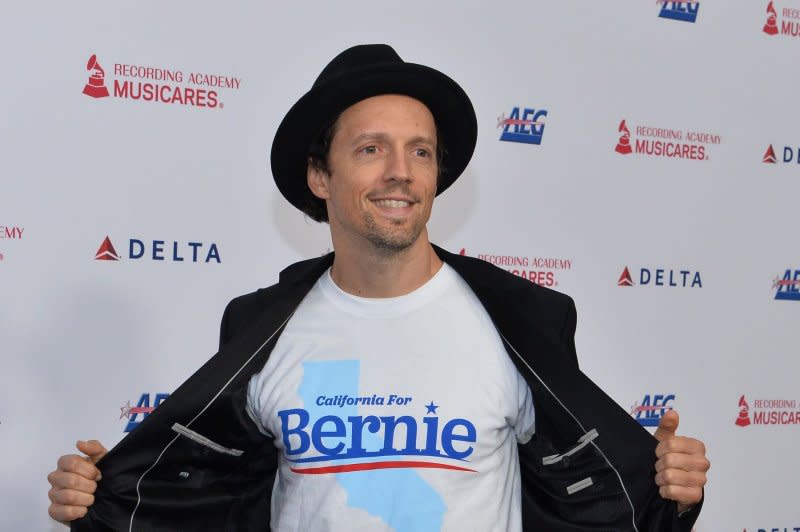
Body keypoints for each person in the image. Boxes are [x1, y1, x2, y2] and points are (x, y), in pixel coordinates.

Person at [47, 44, 709, 531]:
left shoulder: (523, 319)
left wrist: (668, 491)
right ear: (318, 176)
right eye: (370, 149)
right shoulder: (259, 327)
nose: (401, 173)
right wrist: (111, 498)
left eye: (419, 151)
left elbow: (586, 494)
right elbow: (215, 497)